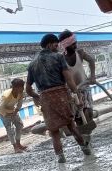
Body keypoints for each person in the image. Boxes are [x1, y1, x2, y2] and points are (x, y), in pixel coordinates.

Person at [26, 33, 86, 163]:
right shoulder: (58, 57)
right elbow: (69, 80)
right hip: (61, 96)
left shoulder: (32, 64)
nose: (58, 46)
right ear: (49, 44)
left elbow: (28, 90)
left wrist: (39, 96)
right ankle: (85, 149)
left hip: (45, 100)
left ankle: (61, 158)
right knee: (71, 126)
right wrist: (78, 96)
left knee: (54, 133)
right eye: (56, 44)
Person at [59, 30, 98, 154]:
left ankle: (87, 140)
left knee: (88, 113)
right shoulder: (61, 59)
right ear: (65, 45)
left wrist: (92, 76)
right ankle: (84, 144)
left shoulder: (80, 53)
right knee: (78, 119)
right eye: (72, 43)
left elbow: (91, 61)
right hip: (71, 94)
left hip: (84, 88)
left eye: (75, 42)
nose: (75, 45)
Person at [0, 78, 28, 153]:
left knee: (19, 125)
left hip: (11, 110)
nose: (23, 88)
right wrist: (7, 115)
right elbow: (0, 107)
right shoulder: (6, 96)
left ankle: (18, 144)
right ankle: (15, 147)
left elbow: (19, 104)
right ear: (15, 87)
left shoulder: (21, 93)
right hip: (2, 112)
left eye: (23, 86)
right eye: (21, 87)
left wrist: (15, 112)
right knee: (9, 129)